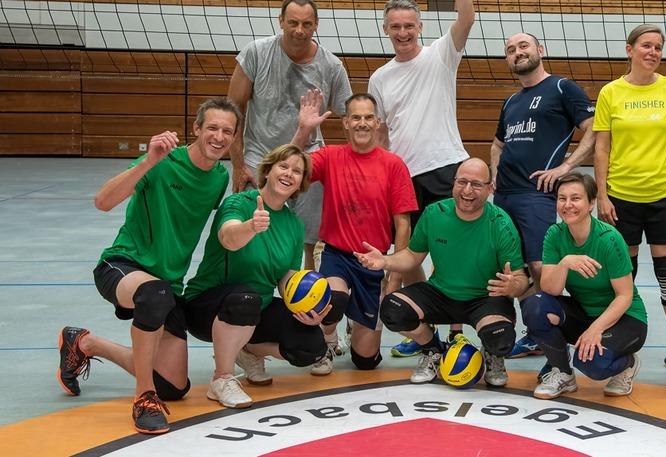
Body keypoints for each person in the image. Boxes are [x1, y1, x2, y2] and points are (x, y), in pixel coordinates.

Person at [57, 98, 240, 434]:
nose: (219, 136)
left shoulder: (218, 179)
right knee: (154, 295)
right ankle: (144, 398)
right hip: (122, 265)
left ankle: (85, 343)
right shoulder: (164, 160)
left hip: (168, 283)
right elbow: (103, 201)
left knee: (174, 385)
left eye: (227, 131)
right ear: (197, 129)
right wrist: (148, 162)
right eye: (212, 127)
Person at [367, 0, 474, 356]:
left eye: (409, 25)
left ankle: (460, 332)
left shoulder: (441, 54)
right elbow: (381, 133)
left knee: (454, 258)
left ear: (420, 27)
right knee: (409, 258)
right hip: (403, 176)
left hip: (447, 165)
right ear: (386, 30)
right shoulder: (379, 77)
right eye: (396, 27)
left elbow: (465, 18)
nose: (403, 32)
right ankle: (423, 325)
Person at [354, 158, 529, 387]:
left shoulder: (501, 224)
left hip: (484, 297)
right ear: (453, 184)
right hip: (441, 293)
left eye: (476, 184)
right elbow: (412, 257)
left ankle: (493, 356)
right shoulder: (434, 213)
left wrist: (512, 286)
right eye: (462, 182)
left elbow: (521, 279)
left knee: (501, 339)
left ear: (489, 188)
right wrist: (385, 261)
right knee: (392, 310)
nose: (467, 190)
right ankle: (433, 351)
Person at [183, 144, 331, 408]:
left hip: (255, 307)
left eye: (297, 171)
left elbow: (286, 276)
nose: (289, 174)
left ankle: (249, 351)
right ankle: (222, 378)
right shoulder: (239, 203)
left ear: (301, 183)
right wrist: (251, 226)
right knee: (245, 299)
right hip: (207, 305)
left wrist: (308, 307)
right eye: (283, 166)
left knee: (312, 346)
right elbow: (228, 238)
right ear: (268, 170)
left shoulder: (294, 225)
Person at [593, 24, 666, 387]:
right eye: (646, 46)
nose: (652, 52)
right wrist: (602, 194)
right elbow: (602, 146)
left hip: (665, 194)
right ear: (630, 49)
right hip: (621, 196)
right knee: (625, 276)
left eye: (658, 47)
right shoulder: (611, 92)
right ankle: (625, 354)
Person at [291, 91, 418, 377]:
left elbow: (403, 225)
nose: (362, 123)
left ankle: (354, 326)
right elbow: (288, 167)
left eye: (368, 117)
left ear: (377, 122)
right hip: (336, 253)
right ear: (346, 123)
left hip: (373, 262)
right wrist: (303, 130)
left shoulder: (393, 165)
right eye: (356, 117)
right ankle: (325, 342)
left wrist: (393, 276)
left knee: (365, 361)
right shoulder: (331, 156)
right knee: (334, 301)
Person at [227, 0, 352, 271]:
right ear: (280, 21)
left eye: (307, 24)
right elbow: (233, 113)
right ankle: (249, 294)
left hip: (309, 162)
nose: (299, 30)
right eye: (293, 22)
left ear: (316, 25)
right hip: (259, 161)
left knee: (311, 241)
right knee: (252, 234)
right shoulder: (256, 53)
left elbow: (351, 117)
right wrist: (237, 165)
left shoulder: (331, 66)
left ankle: (307, 299)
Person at [491, 32, 596, 359]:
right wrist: (494, 172)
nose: (517, 53)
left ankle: (557, 327)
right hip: (504, 195)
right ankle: (534, 333)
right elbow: (497, 144)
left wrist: (566, 167)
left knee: (541, 265)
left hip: (536, 193)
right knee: (514, 267)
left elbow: (594, 129)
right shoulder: (511, 102)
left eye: (523, 46)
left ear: (540, 49)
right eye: (511, 50)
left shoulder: (562, 88)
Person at [521, 172, 648, 399]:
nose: (568, 205)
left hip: (626, 318)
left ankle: (627, 363)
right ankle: (563, 374)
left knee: (591, 364)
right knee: (535, 306)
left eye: (575, 198)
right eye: (562, 198)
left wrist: (595, 329)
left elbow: (624, 296)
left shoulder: (609, 239)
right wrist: (565, 263)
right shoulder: (554, 234)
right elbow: (551, 290)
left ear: (591, 203)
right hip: (584, 313)